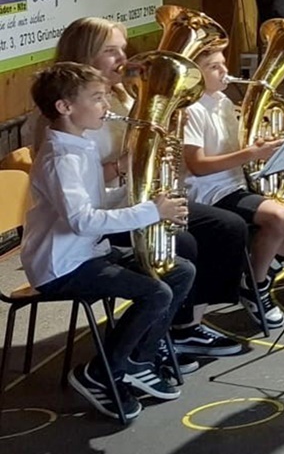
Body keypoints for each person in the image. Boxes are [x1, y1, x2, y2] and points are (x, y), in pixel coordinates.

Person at [54, 17, 246, 359]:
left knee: (226, 226)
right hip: (107, 212)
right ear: (84, 55)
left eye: (123, 50)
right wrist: (122, 165)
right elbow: (76, 180)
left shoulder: (123, 93)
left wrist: (171, 119)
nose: (122, 59)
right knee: (183, 241)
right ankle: (165, 329)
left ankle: (187, 323)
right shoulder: (67, 110)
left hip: (134, 197)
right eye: (110, 51)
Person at [23, 61, 196, 421]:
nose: (106, 106)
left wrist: (138, 194)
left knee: (180, 272)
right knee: (156, 292)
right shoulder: (61, 157)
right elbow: (82, 221)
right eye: (98, 98)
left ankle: (135, 361)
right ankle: (102, 373)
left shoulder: (79, 145)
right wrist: (151, 211)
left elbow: (95, 201)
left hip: (88, 253)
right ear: (65, 108)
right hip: (62, 266)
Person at [179, 40, 284, 331]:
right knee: (278, 217)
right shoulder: (193, 109)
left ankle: (263, 267)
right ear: (194, 74)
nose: (224, 70)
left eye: (224, 63)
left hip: (241, 179)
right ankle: (255, 284)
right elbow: (198, 166)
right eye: (213, 67)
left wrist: (265, 142)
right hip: (212, 190)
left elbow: (240, 148)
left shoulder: (223, 102)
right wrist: (251, 153)